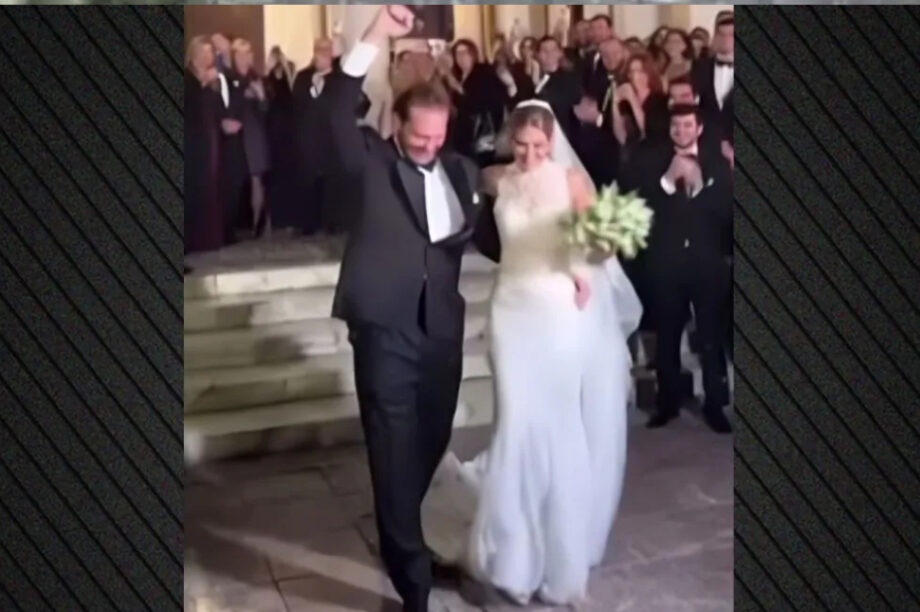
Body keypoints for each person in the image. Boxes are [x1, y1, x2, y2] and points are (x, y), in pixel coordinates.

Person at [422, 100, 640, 606]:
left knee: (559, 429)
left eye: (539, 146)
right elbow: (466, 213)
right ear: (510, 140)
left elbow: (597, 246)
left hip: (558, 311)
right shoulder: (495, 179)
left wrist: (591, 258)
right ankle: (510, 555)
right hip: (510, 311)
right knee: (515, 424)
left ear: (552, 142)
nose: (530, 155)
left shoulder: (572, 181)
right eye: (521, 145)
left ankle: (558, 556)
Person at [323, 7, 492, 611]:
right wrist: (372, 37)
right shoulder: (370, 162)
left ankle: (402, 534)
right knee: (393, 451)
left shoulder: (462, 171)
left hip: (440, 331)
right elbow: (333, 111)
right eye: (420, 136)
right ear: (398, 123)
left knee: (429, 440)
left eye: (438, 137)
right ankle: (412, 578)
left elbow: (494, 239)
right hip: (383, 329)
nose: (429, 145)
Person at [625, 104, 733, 434]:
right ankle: (667, 403)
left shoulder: (717, 162)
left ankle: (715, 404)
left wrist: (700, 188)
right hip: (666, 264)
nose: (681, 131)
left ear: (698, 129)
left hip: (707, 264)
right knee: (668, 336)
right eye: (676, 126)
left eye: (687, 125)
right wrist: (667, 183)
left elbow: (727, 211)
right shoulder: (652, 160)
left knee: (710, 336)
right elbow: (640, 206)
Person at [184, 36, 224, 257]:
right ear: (196, 54)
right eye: (207, 52)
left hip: (209, 138)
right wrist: (203, 83)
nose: (211, 57)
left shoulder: (211, 78)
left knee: (208, 187)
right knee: (194, 188)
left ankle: (206, 239)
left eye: (212, 52)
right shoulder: (188, 77)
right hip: (192, 142)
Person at [692, 13, 733, 146]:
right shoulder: (700, 67)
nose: (726, 39)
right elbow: (695, 104)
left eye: (731, 34)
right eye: (721, 34)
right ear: (715, 36)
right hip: (707, 143)